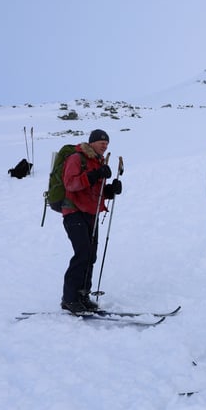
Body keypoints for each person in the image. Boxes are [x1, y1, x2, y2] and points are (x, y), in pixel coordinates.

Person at [60, 129, 123, 313]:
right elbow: (70, 184)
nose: (105, 145)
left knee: (91, 255)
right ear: (92, 143)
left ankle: (83, 295)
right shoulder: (77, 158)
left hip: (91, 213)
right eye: (101, 142)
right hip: (73, 212)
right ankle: (69, 299)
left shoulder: (98, 162)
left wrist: (111, 191)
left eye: (107, 143)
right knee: (83, 253)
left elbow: (95, 192)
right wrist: (95, 175)